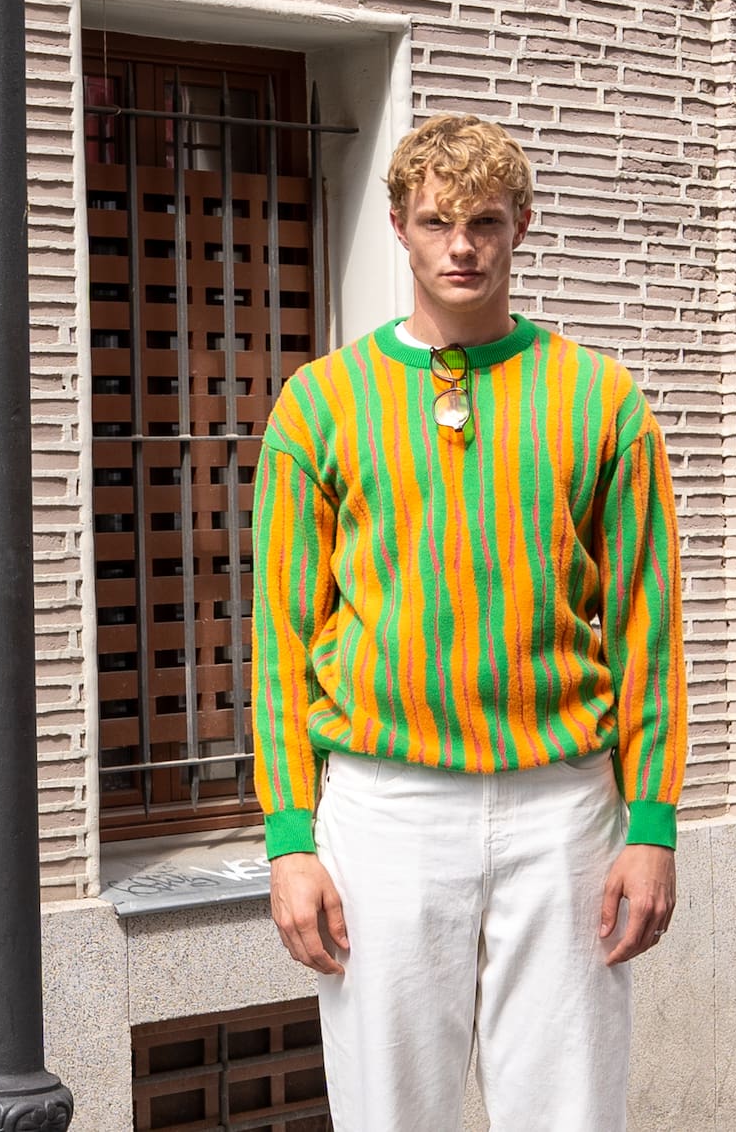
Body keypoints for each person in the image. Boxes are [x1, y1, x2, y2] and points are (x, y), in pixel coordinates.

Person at [251, 113, 687, 1131]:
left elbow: (646, 627)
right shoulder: (320, 404)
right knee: (390, 1113)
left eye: (483, 222)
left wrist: (652, 824)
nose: (461, 247)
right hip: (384, 808)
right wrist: (288, 838)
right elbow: (279, 639)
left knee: (571, 1113)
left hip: (563, 807)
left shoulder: (600, 399)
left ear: (519, 226)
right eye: (436, 221)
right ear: (397, 226)